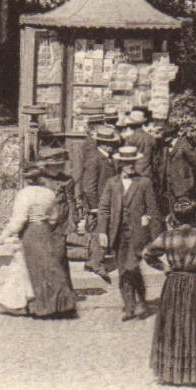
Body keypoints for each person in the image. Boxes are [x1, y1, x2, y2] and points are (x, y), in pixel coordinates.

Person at [142, 197, 196, 386]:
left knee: (173, 326)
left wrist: (163, 267)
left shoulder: (167, 236)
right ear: (195, 215)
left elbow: (147, 253)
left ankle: (173, 372)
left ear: (176, 217)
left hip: (174, 283)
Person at [0, 163, 78, 319]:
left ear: (26, 179)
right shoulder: (49, 193)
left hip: (31, 232)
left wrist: (4, 235)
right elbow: (54, 218)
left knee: (28, 268)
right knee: (47, 268)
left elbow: (19, 220)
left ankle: (31, 304)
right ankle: (58, 303)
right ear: (41, 178)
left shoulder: (25, 194)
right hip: (45, 231)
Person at [99, 144, 162, 321]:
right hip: (118, 234)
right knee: (122, 270)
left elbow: (153, 210)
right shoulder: (112, 183)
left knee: (131, 267)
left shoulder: (144, 183)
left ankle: (141, 302)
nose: (130, 166)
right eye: (126, 163)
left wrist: (156, 237)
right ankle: (129, 306)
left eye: (132, 162)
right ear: (120, 164)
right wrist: (102, 231)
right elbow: (103, 209)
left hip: (138, 234)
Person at [76, 121, 119, 283]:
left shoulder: (106, 158)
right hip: (98, 204)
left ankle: (93, 260)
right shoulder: (95, 159)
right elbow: (88, 187)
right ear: (103, 144)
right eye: (110, 144)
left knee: (100, 232)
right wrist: (94, 207)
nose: (112, 147)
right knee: (100, 232)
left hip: (104, 202)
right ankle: (97, 262)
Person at [162, 123, 196, 208]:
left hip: (184, 187)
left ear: (173, 134)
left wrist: (189, 178)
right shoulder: (165, 146)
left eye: (167, 134)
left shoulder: (184, 145)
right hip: (170, 188)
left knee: (186, 211)